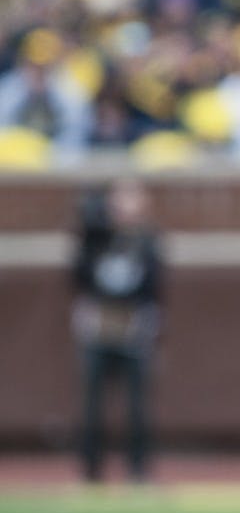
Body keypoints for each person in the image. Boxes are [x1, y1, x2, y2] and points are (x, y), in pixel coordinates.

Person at [71, 177, 162, 482]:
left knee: (137, 406)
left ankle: (137, 469)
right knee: (92, 404)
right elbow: (77, 276)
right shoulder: (95, 237)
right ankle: (91, 469)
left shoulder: (146, 239)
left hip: (133, 328)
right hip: (99, 328)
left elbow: (154, 284)